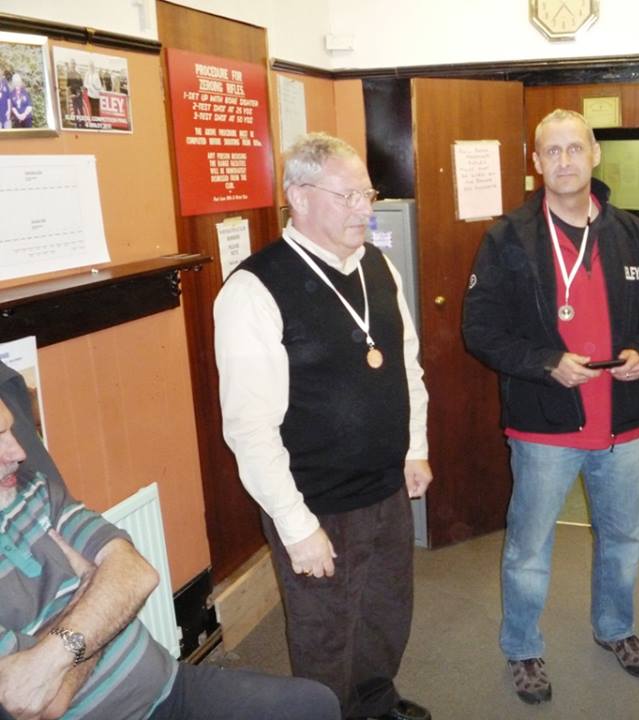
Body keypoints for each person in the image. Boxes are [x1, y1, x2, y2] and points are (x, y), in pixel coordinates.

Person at [214, 132, 432, 720]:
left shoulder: (378, 266)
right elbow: (249, 428)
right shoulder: (254, 289)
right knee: (326, 634)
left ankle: (375, 703)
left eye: (368, 194)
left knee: (386, 612)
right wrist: (295, 525)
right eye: (348, 196)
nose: (365, 208)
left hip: (385, 488)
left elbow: (406, 363)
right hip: (317, 503)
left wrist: (414, 447)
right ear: (300, 196)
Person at [462, 109, 639, 704]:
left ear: (594, 153)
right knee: (529, 548)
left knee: (623, 537)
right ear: (535, 162)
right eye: (551, 151)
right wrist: (545, 362)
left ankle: (616, 628)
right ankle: (522, 646)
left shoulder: (631, 232)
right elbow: (480, 330)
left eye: (574, 148)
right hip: (544, 424)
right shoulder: (508, 237)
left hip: (619, 421)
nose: (564, 161)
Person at [0, 362, 341, 720]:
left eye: (11, 431)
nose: (19, 452)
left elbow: (137, 574)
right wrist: (94, 592)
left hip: (169, 686)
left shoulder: (35, 490)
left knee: (313, 703)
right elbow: (42, 702)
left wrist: (57, 648)